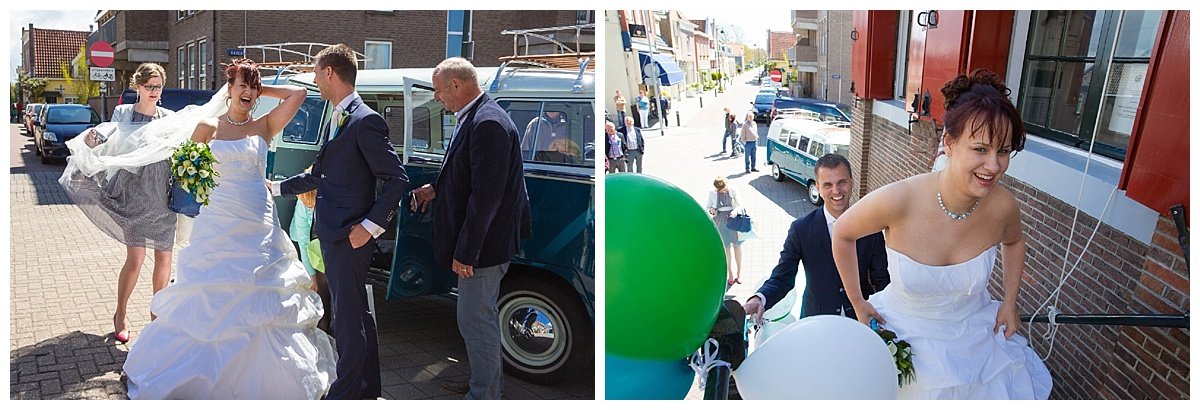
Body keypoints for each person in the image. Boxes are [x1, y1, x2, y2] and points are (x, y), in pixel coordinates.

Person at [118, 59, 336, 399]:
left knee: (262, 296)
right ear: (229, 90)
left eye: (253, 87)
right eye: (242, 85)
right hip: (217, 220)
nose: (248, 92)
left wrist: (266, 86)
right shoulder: (207, 126)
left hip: (257, 221)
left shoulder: (265, 126)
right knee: (210, 296)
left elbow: (298, 93)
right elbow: (188, 173)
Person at [831, 69, 1051, 399]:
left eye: (1003, 151)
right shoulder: (900, 199)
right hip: (907, 334)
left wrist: (1009, 301)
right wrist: (858, 303)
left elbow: (1015, 240)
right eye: (980, 149)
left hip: (977, 342)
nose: (993, 166)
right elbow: (843, 233)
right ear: (949, 143)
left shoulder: (1003, 206)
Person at [274, 44, 409, 400]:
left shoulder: (366, 121)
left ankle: (345, 395)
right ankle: (366, 388)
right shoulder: (339, 116)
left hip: (350, 237)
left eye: (317, 73)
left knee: (347, 322)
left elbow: (397, 180)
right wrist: (274, 187)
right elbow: (320, 174)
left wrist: (369, 226)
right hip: (334, 234)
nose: (315, 80)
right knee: (357, 315)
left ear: (330, 73)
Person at [410, 57, 532, 400]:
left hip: (483, 251)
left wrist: (467, 252)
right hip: (482, 247)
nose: (437, 99)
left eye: (438, 91)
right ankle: (487, 387)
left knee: (476, 325)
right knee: (477, 323)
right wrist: (435, 189)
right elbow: (469, 175)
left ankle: (484, 396)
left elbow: (487, 196)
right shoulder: (478, 117)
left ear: (455, 85)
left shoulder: (487, 122)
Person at [59, 63, 176, 344]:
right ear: (137, 86)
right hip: (132, 193)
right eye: (149, 86)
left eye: (158, 86)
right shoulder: (124, 112)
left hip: (162, 195)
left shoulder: (169, 117)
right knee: (136, 259)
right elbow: (108, 137)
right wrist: (91, 140)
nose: (154, 91)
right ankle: (120, 314)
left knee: (164, 258)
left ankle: (156, 318)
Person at [744, 154, 888, 324]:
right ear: (818, 187)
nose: (836, 191)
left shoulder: (870, 228)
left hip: (860, 320)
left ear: (851, 182)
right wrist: (760, 298)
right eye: (828, 185)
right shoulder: (801, 229)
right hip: (815, 321)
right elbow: (783, 277)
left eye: (841, 182)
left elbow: (882, 280)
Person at [289, 166, 332, 333]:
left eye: (311, 204)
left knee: (327, 284)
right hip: (306, 239)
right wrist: (312, 276)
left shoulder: (328, 197)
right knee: (315, 285)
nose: (309, 207)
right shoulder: (302, 206)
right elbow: (304, 241)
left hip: (322, 240)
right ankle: (320, 326)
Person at [707, 176, 744, 287]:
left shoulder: (733, 190)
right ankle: (731, 274)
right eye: (720, 190)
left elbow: (741, 205)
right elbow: (708, 207)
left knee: (737, 246)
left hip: (733, 220)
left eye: (723, 189)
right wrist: (712, 210)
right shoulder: (712, 193)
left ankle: (739, 273)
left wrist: (735, 211)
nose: (722, 191)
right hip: (720, 221)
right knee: (726, 248)